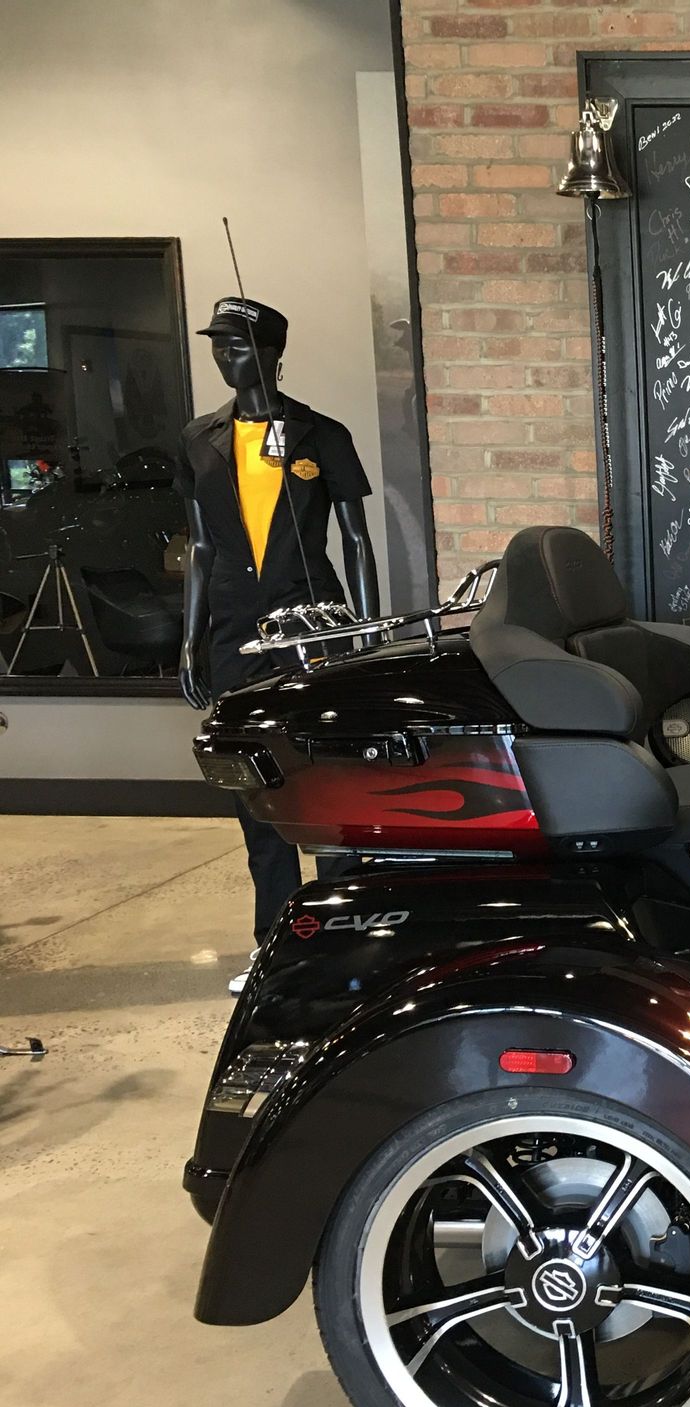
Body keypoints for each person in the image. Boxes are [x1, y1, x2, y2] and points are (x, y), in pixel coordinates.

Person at [176, 296, 378, 987]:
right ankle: (275, 942)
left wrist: (366, 638)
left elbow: (356, 541)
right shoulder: (199, 440)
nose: (225, 359)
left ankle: (345, 935)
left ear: (271, 354)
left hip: (312, 621)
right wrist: (190, 640)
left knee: (325, 779)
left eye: (237, 346)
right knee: (254, 787)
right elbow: (200, 548)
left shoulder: (322, 435)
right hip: (235, 631)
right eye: (217, 346)